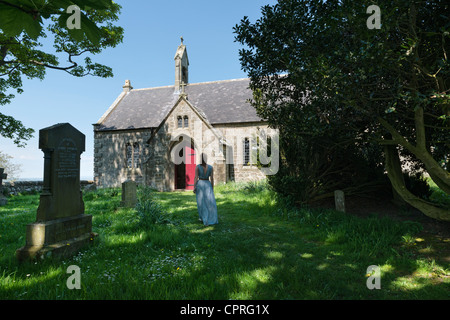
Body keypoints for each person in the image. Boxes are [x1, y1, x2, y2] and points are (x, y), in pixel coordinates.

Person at [193, 153, 218, 226]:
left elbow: (196, 177)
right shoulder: (210, 167)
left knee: (201, 202)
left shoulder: (197, 167)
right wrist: (212, 188)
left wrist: (194, 187)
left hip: (200, 184)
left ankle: (203, 217)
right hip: (208, 184)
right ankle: (210, 217)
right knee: (209, 202)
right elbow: (212, 179)